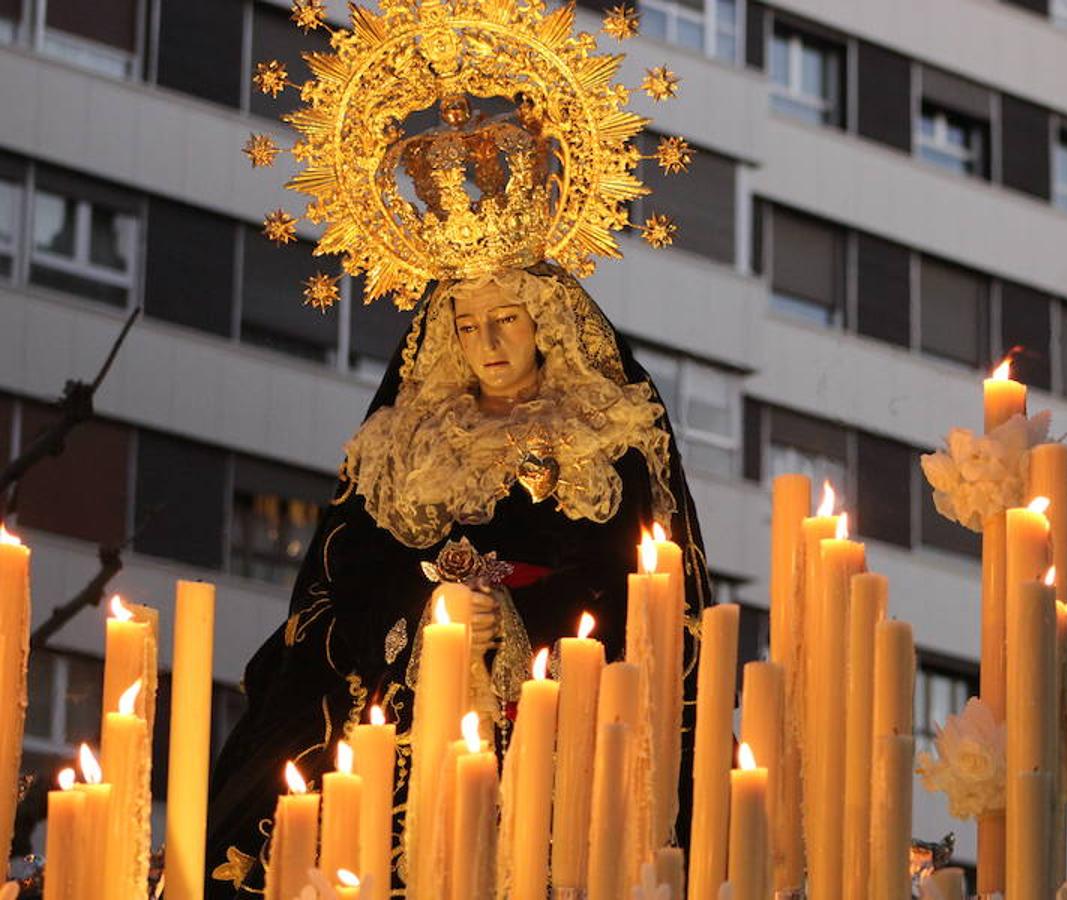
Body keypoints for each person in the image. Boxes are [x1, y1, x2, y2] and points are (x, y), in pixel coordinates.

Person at [204, 262, 710, 897]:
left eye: (505, 321)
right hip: (401, 709)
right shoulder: (397, 446)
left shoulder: (609, 437)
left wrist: (523, 619)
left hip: (564, 712)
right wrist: (425, 614)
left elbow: (653, 592)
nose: (488, 346)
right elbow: (331, 594)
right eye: (468, 326)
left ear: (544, 323)